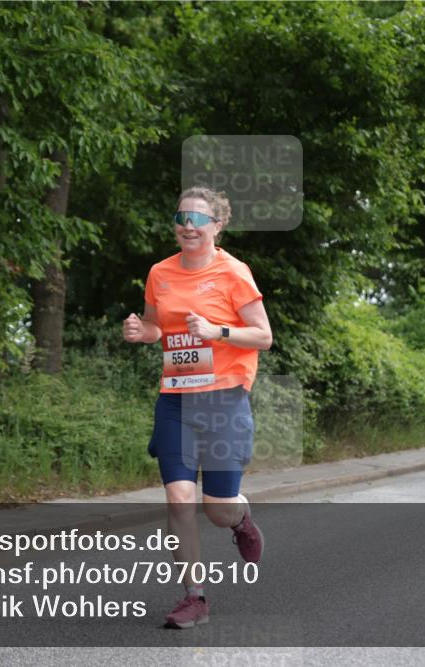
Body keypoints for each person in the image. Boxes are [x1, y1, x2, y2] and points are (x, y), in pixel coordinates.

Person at [123, 186, 272, 628]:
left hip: (224, 400)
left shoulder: (234, 272)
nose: (188, 225)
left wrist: (217, 331)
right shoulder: (160, 273)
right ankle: (195, 596)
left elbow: (263, 336)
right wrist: (142, 332)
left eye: (198, 219)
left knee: (217, 508)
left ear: (217, 226)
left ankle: (240, 518)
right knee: (179, 498)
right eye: (181, 218)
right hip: (176, 400)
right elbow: (156, 326)